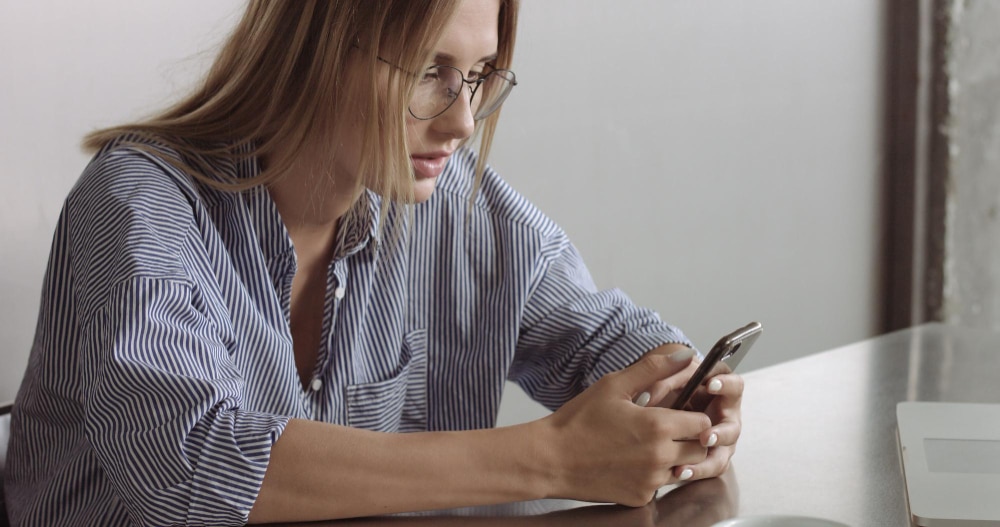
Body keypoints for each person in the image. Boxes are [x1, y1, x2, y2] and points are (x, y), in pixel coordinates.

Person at [4, 0, 745, 525]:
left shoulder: (446, 201)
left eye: (480, 73)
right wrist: (549, 458)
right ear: (319, 46)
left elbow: (604, 339)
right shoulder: (138, 199)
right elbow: (189, 463)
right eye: (430, 70)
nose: (461, 119)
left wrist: (685, 398)